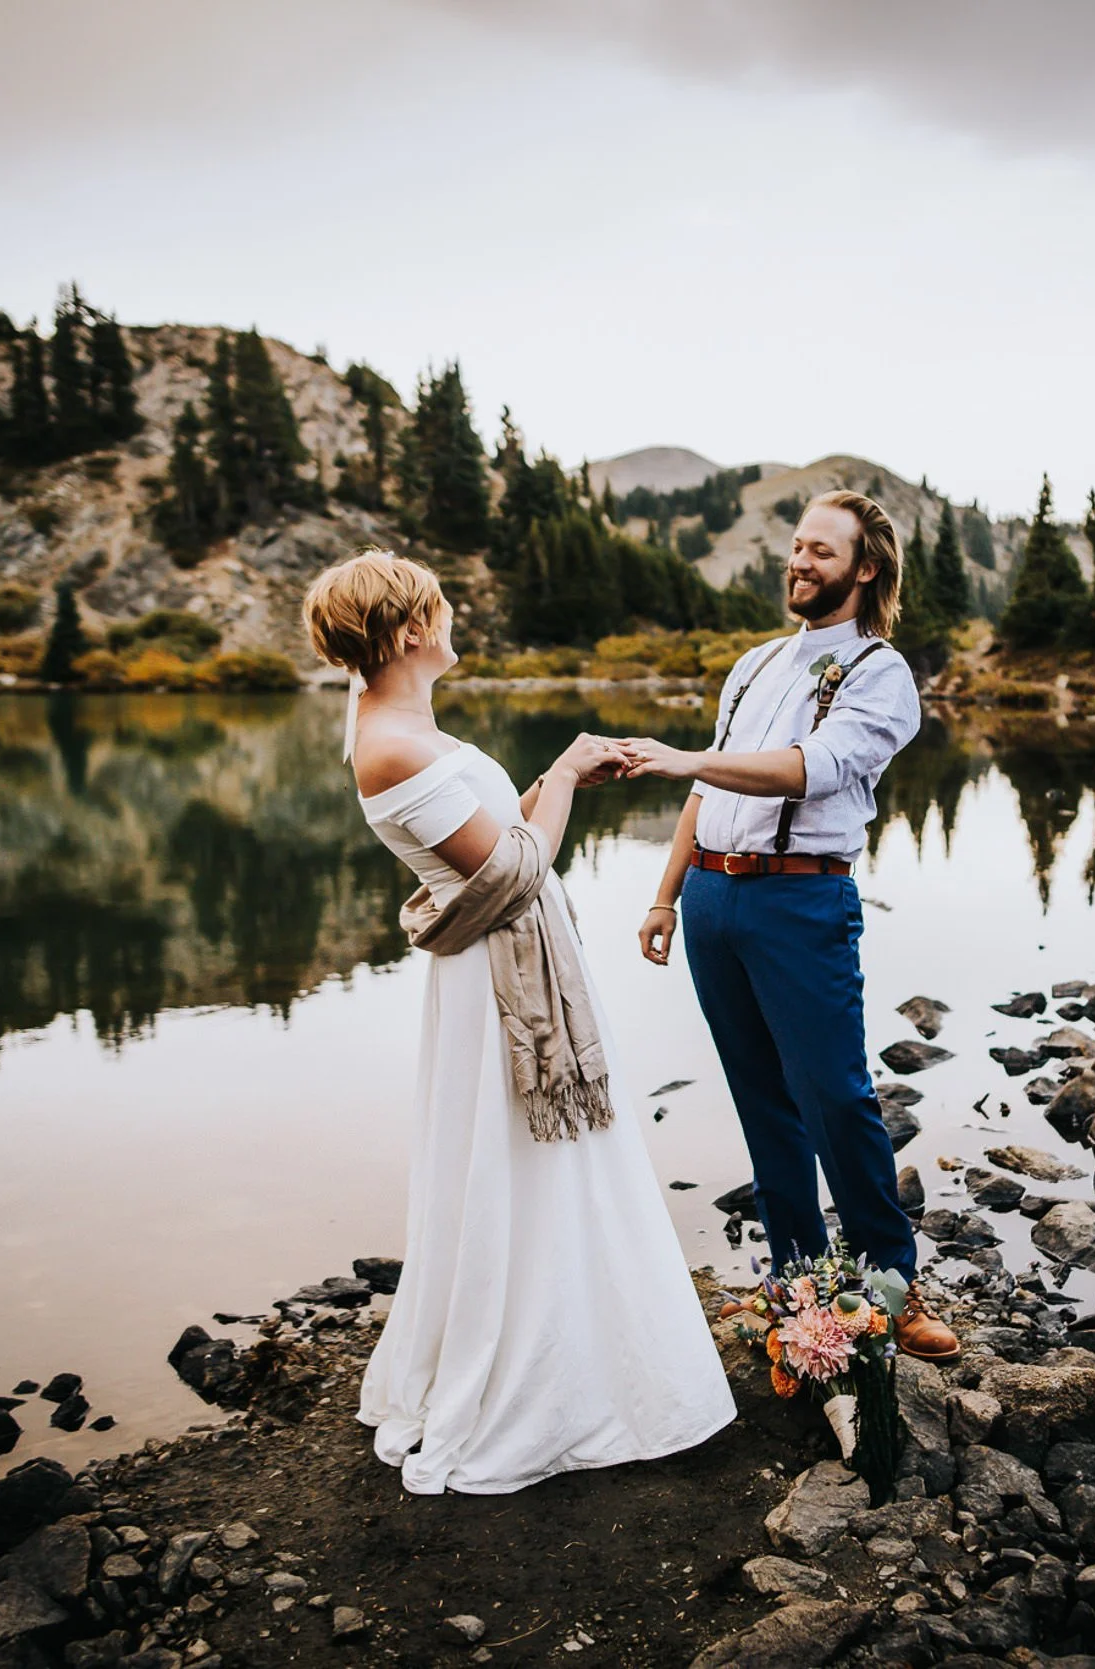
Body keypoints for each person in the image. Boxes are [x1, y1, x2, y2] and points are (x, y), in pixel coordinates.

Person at [308, 549, 734, 1495]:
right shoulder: (386, 740)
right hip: (496, 993)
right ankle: (540, 1385)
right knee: (519, 1166)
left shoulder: (405, 723)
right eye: (440, 606)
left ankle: (584, 1344)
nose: (454, 615)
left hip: (512, 968)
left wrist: (560, 773)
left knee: (552, 1165)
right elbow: (512, 871)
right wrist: (570, 775)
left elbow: (502, 845)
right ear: (410, 630)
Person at [620, 491, 960, 1361]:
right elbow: (704, 795)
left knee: (835, 1096)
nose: (799, 563)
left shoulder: (880, 672)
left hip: (801, 903)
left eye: (821, 552)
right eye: (796, 546)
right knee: (760, 1099)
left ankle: (893, 1279)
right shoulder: (756, 664)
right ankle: (797, 1280)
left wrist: (685, 754)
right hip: (712, 899)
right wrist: (666, 895)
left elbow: (810, 769)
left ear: (865, 567)